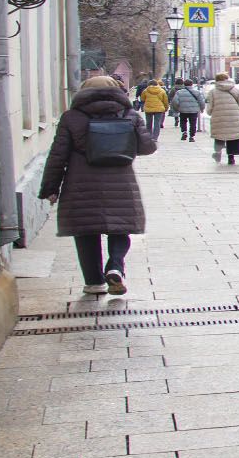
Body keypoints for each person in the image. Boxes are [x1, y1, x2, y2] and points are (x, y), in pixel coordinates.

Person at [39, 75, 157, 296]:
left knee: (85, 231)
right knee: (120, 227)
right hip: (121, 183)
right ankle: (115, 266)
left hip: (80, 184)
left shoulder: (71, 118)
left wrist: (50, 188)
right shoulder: (129, 115)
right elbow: (147, 147)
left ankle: (93, 282)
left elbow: (58, 155)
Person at [207, 72, 239, 166]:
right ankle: (231, 158)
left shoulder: (213, 92)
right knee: (233, 137)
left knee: (219, 136)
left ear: (217, 80)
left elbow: (210, 107)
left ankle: (218, 153)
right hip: (234, 116)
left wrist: (210, 112)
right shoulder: (235, 90)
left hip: (219, 116)